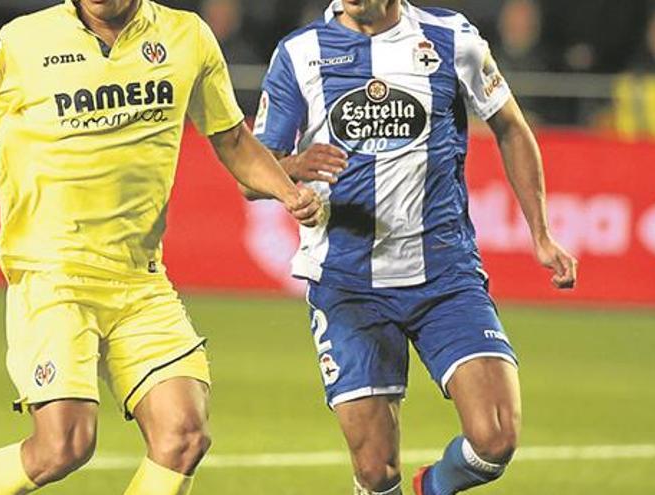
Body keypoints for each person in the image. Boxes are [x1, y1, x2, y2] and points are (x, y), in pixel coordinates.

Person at [0, 0, 322, 494]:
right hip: (53, 275)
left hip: (140, 279)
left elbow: (231, 139)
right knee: (63, 446)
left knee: (183, 435)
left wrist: (287, 191)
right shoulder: (19, 43)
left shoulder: (187, 36)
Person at [247, 1, 578, 494]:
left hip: (445, 275)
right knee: (375, 470)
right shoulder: (300, 54)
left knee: (496, 438)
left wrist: (541, 233)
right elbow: (255, 172)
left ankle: (433, 488)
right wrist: (293, 173)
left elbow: (510, 126)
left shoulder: (452, 38)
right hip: (347, 283)